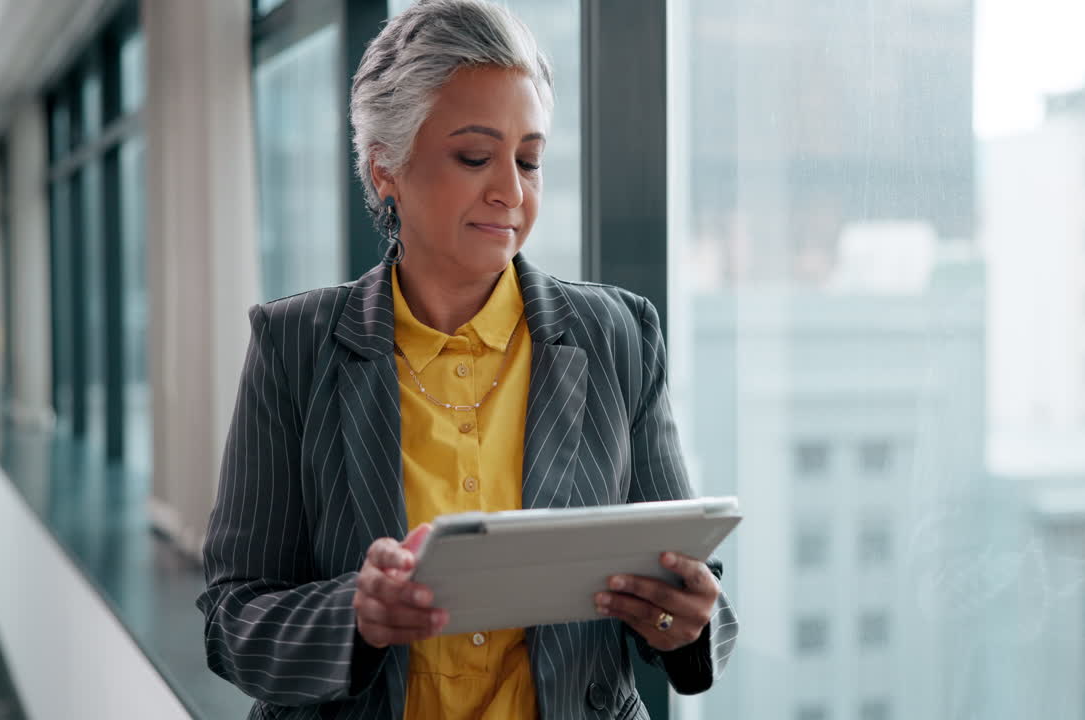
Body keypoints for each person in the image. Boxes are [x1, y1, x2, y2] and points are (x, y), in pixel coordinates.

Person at [196, 1, 737, 717]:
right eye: (475, 157)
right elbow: (231, 619)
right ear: (384, 165)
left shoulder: (618, 336)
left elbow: (694, 599)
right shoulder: (294, 347)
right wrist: (355, 617)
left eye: (530, 159)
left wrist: (689, 617)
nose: (511, 192)